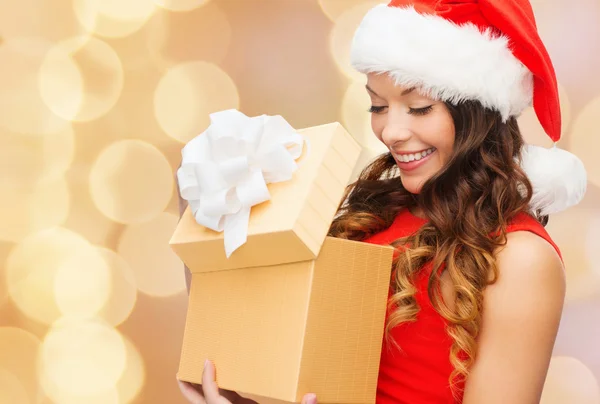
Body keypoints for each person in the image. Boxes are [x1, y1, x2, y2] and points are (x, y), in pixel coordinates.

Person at [178, 0, 587, 403]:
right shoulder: (374, 214)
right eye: (377, 104)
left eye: (419, 107)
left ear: (478, 112)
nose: (390, 131)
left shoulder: (520, 258)